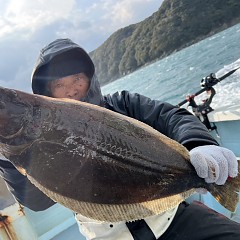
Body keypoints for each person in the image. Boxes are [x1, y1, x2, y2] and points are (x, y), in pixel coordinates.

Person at [1, 38, 240, 239]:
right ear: (47, 93)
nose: (71, 90)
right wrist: (10, 158)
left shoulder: (123, 104)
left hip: (171, 219)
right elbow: (38, 202)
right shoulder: (32, 145)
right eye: (59, 85)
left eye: (77, 79)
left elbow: (170, 117)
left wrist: (200, 144)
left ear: (90, 77)